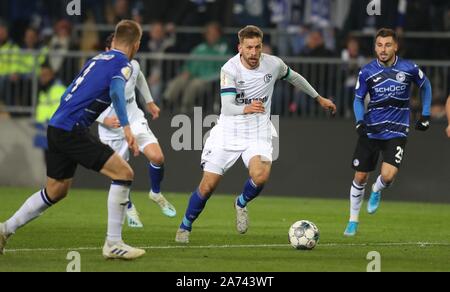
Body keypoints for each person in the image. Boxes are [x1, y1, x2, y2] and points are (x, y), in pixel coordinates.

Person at [175, 25, 336, 244]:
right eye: (249, 47)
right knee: (207, 187)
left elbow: (294, 77)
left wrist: (318, 98)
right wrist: (246, 108)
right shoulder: (229, 69)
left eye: (257, 47)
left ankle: (241, 202)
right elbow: (227, 107)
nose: (253, 52)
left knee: (260, 175)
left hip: (258, 132)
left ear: (262, 46)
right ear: (239, 47)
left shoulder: (273, 64)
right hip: (228, 132)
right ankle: (185, 225)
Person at [0, 20, 146, 260]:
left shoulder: (98, 59)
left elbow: (71, 92)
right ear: (136, 45)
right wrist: (127, 127)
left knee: (56, 190)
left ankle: (5, 228)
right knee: (124, 173)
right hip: (71, 129)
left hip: (57, 126)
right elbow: (116, 92)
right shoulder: (123, 63)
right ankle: (113, 243)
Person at [344, 28, 433, 237]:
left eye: (388, 45)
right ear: (375, 47)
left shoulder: (408, 68)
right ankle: (353, 220)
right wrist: (359, 121)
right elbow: (358, 99)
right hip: (372, 129)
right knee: (360, 176)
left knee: (388, 175)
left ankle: (377, 189)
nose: (383, 50)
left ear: (396, 47)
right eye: (379, 45)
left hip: (397, 130)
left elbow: (426, 85)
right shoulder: (366, 72)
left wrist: (426, 114)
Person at [97, 34, 176, 229]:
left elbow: (139, 77)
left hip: (133, 120)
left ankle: (155, 193)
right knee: (120, 174)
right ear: (108, 50)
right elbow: (81, 102)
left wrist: (149, 101)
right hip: (111, 129)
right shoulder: (97, 71)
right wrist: (104, 119)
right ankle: (129, 207)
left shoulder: (132, 64)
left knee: (157, 158)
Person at [34, 64, 67, 164]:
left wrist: (49, 122)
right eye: (41, 75)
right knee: (48, 161)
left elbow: (59, 109)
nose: (42, 78)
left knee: (55, 162)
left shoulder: (58, 88)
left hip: (53, 128)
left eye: (45, 75)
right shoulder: (45, 89)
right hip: (44, 129)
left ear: (52, 75)